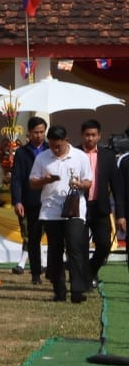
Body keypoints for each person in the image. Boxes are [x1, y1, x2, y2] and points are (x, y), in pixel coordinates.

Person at [30, 125, 92, 304]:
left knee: (75, 247)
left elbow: (89, 181)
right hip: (51, 211)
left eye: (59, 146)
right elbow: (32, 182)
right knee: (55, 251)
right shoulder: (42, 157)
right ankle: (59, 290)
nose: (56, 149)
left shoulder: (79, 156)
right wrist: (45, 180)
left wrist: (80, 185)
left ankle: (78, 289)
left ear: (66, 141)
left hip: (74, 209)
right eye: (52, 146)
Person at [11, 117, 49, 281]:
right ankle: (35, 273)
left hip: (50, 200)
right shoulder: (21, 153)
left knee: (54, 238)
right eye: (36, 132)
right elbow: (17, 178)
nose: (39, 135)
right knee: (33, 239)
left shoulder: (51, 150)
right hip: (31, 201)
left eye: (42, 132)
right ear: (29, 133)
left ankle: (52, 269)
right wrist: (17, 200)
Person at [79, 119, 117, 285]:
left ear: (99, 136)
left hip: (100, 207)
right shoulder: (74, 153)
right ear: (82, 136)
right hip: (79, 207)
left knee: (104, 244)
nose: (90, 138)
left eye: (93, 135)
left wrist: (121, 214)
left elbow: (117, 185)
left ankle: (90, 271)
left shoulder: (108, 156)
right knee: (79, 246)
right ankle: (82, 280)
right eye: (87, 135)